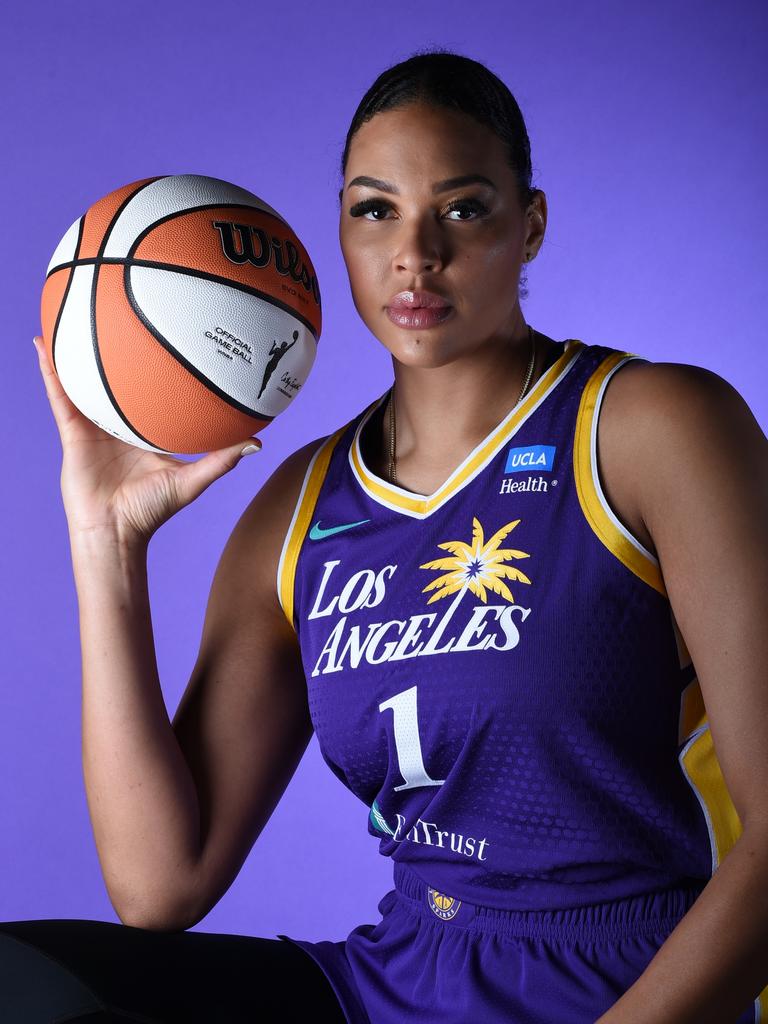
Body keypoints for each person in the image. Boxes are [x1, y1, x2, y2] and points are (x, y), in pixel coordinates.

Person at [6, 47, 768, 1024]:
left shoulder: (651, 428)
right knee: (32, 989)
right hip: (397, 984)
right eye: (375, 210)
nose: (416, 254)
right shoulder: (300, 507)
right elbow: (162, 882)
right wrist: (103, 539)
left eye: (463, 206)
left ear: (529, 224)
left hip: (621, 987)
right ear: (338, 231)